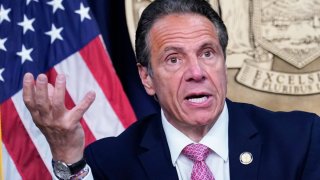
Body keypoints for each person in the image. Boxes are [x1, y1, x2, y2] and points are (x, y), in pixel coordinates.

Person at [22, 0, 320, 179]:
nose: (196, 72)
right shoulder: (112, 161)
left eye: (207, 53)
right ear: (147, 78)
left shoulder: (300, 139)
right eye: (174, 59)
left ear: (223, 61)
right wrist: (66, 153)